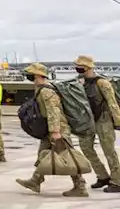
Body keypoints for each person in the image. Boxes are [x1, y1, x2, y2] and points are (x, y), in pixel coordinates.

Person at [16, 62, 88, 197]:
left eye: (31, 74)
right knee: (43, 155)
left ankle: (80, 186)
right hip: (50, 130)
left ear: (38, 75)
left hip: (58, 130)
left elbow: (53, 111)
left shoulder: (46, 91)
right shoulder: (40, 89)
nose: (28, 76)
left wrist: (55, 132)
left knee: (68, 158)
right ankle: (35, 181)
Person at [75, 55, 120, 191]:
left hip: (103, 119)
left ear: (88, 67)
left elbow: (112, 103)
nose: (77, 68)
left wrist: (117, 121)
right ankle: (102, 176)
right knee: (86, 148)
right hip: (88, 120)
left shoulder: (102, 82)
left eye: (80, 66)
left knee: (109, 150)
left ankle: (117, 181)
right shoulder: (79, 81)